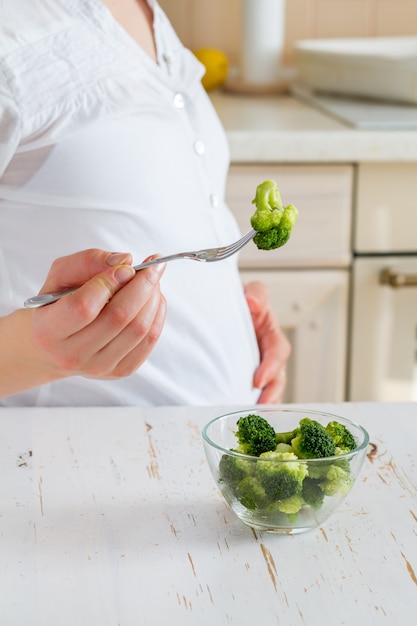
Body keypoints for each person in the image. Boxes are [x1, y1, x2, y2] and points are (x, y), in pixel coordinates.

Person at [0, 0, 290, 407]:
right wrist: (37, 352)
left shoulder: (143, 11)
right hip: (76, 456)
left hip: (208, 448)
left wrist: (235, 315)